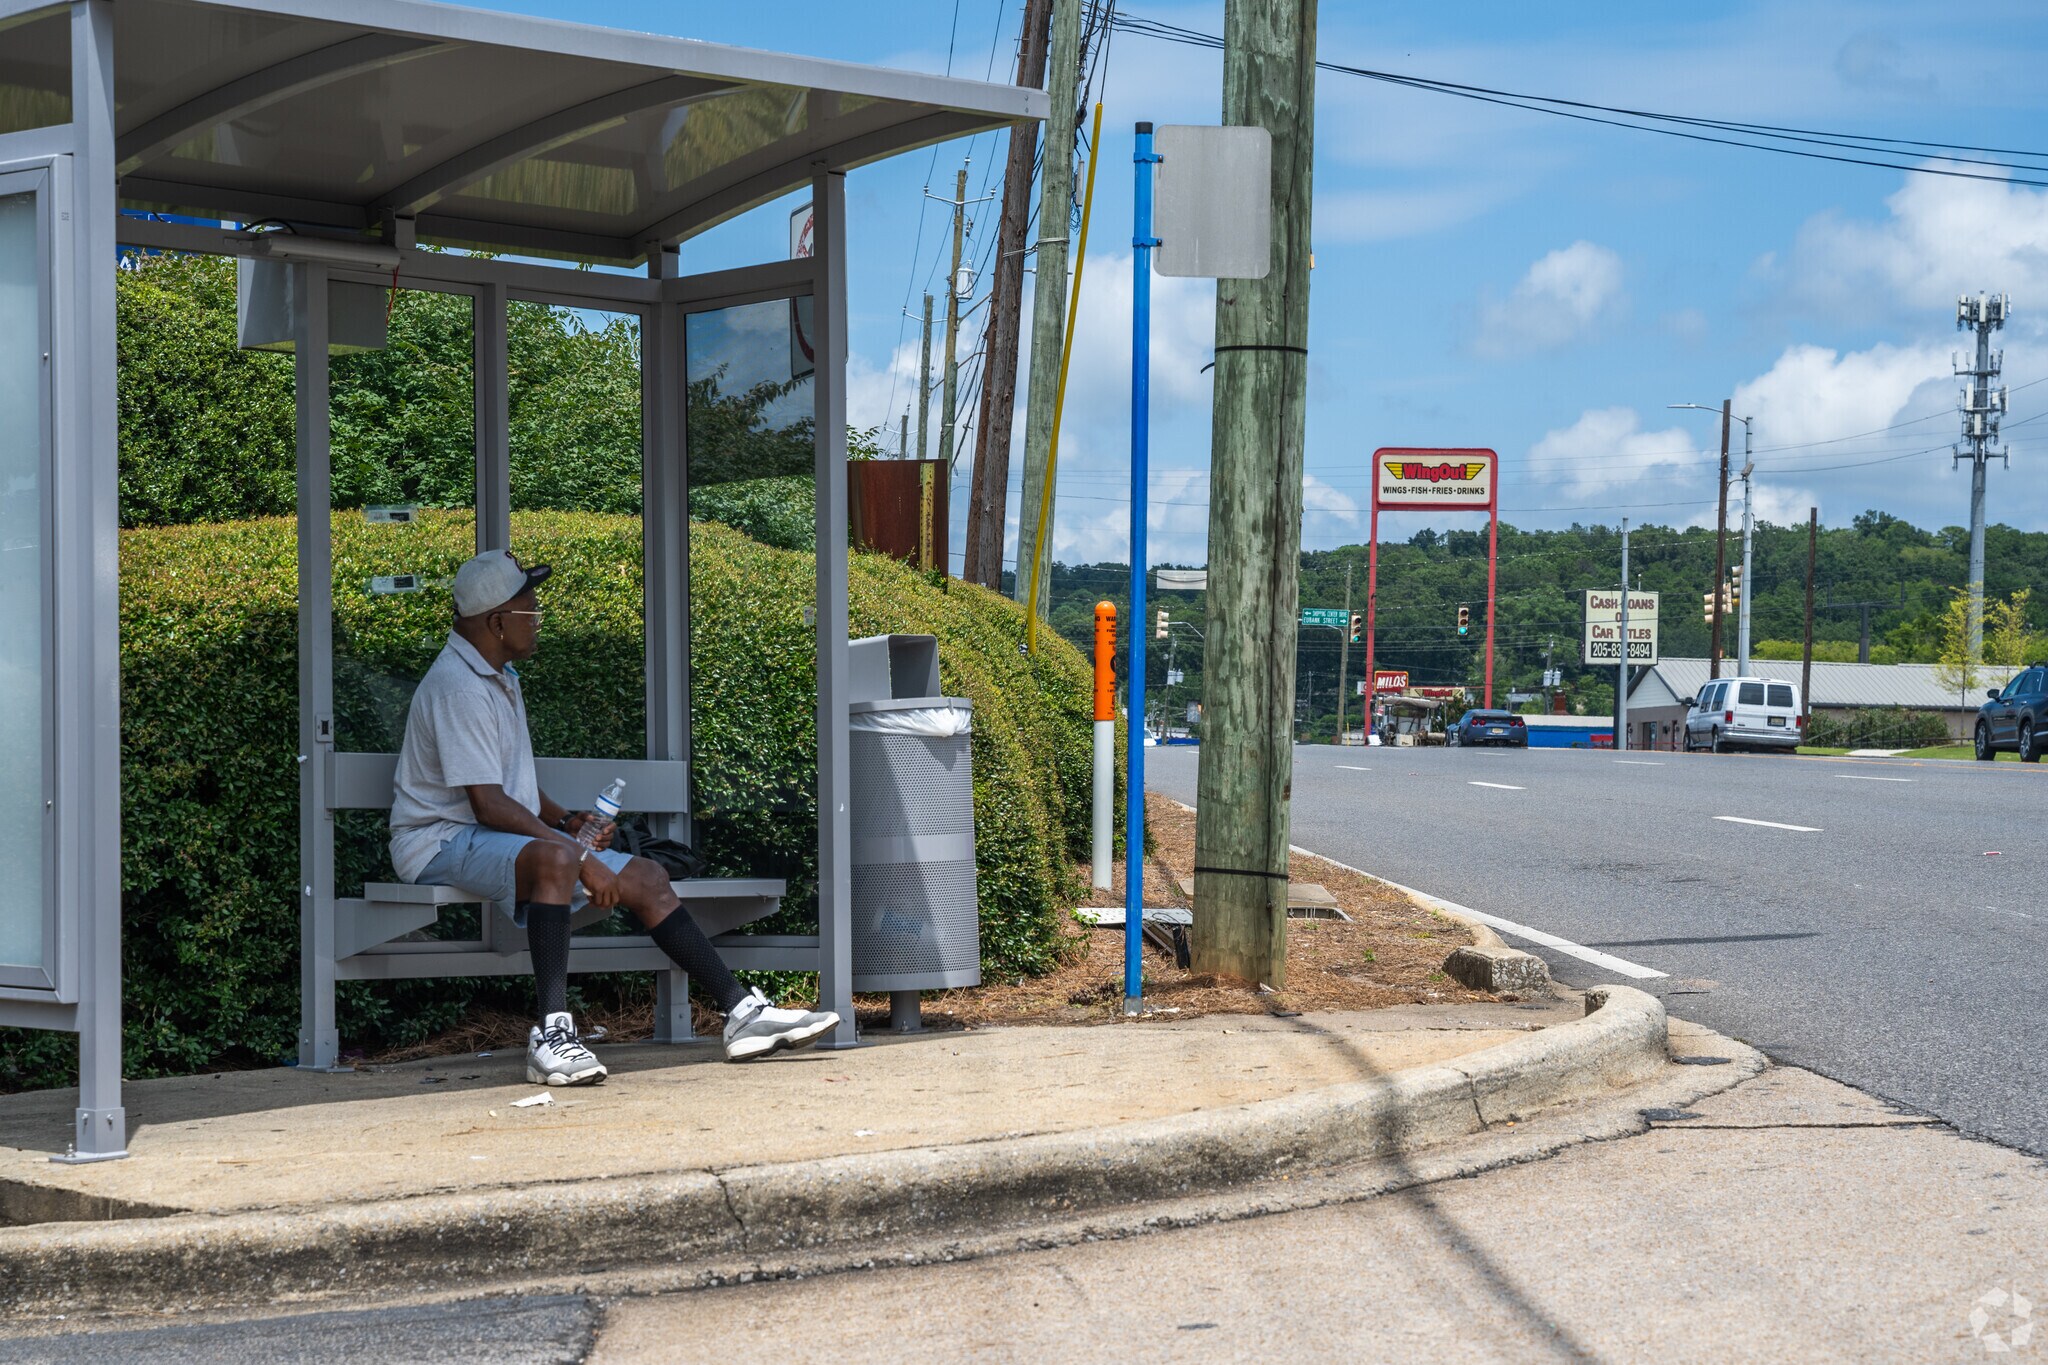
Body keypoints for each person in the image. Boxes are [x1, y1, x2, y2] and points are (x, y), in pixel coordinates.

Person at [388, 548, 840, 1085]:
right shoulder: (458, 686)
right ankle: (553, 1034)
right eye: (530, 609)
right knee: (557, 859)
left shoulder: (497, 674)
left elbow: (515, 787)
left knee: (647, 877)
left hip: (490, 834)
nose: (538, 619)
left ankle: (740, 1013)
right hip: (436, 842)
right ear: (496, 621)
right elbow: (488, 804)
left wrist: (568, 820)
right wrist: (577, 853)